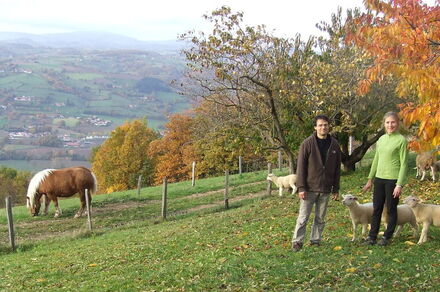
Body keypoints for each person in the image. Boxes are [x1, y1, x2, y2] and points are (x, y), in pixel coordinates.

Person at [292, 115, 341, 252]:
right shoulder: (307, 144)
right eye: (320, 125)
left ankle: (315, 240)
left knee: (320, 217)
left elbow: (337, 168)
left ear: (329, 126)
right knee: (303, 217)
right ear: (315, 127)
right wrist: (301, 187)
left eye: (325, 125)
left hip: (325, 188)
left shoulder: (334, 144)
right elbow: (300, 167)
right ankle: (297, 241)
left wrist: (335, 188)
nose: (323, 127)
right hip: (309, 188)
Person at [362, 111, 408, 246]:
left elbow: (404, 163)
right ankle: (372, 237)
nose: (390, 125)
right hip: (379, 179)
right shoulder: (381, 139)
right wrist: (370, 179)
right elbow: (376, 159)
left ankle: (387, 237)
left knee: (391, 209)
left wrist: (399, 184)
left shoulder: (401, 140)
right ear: (384, 124)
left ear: (398, 123)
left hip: (393, 180)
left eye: (393, 122)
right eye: (387, 122)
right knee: (376, 209)